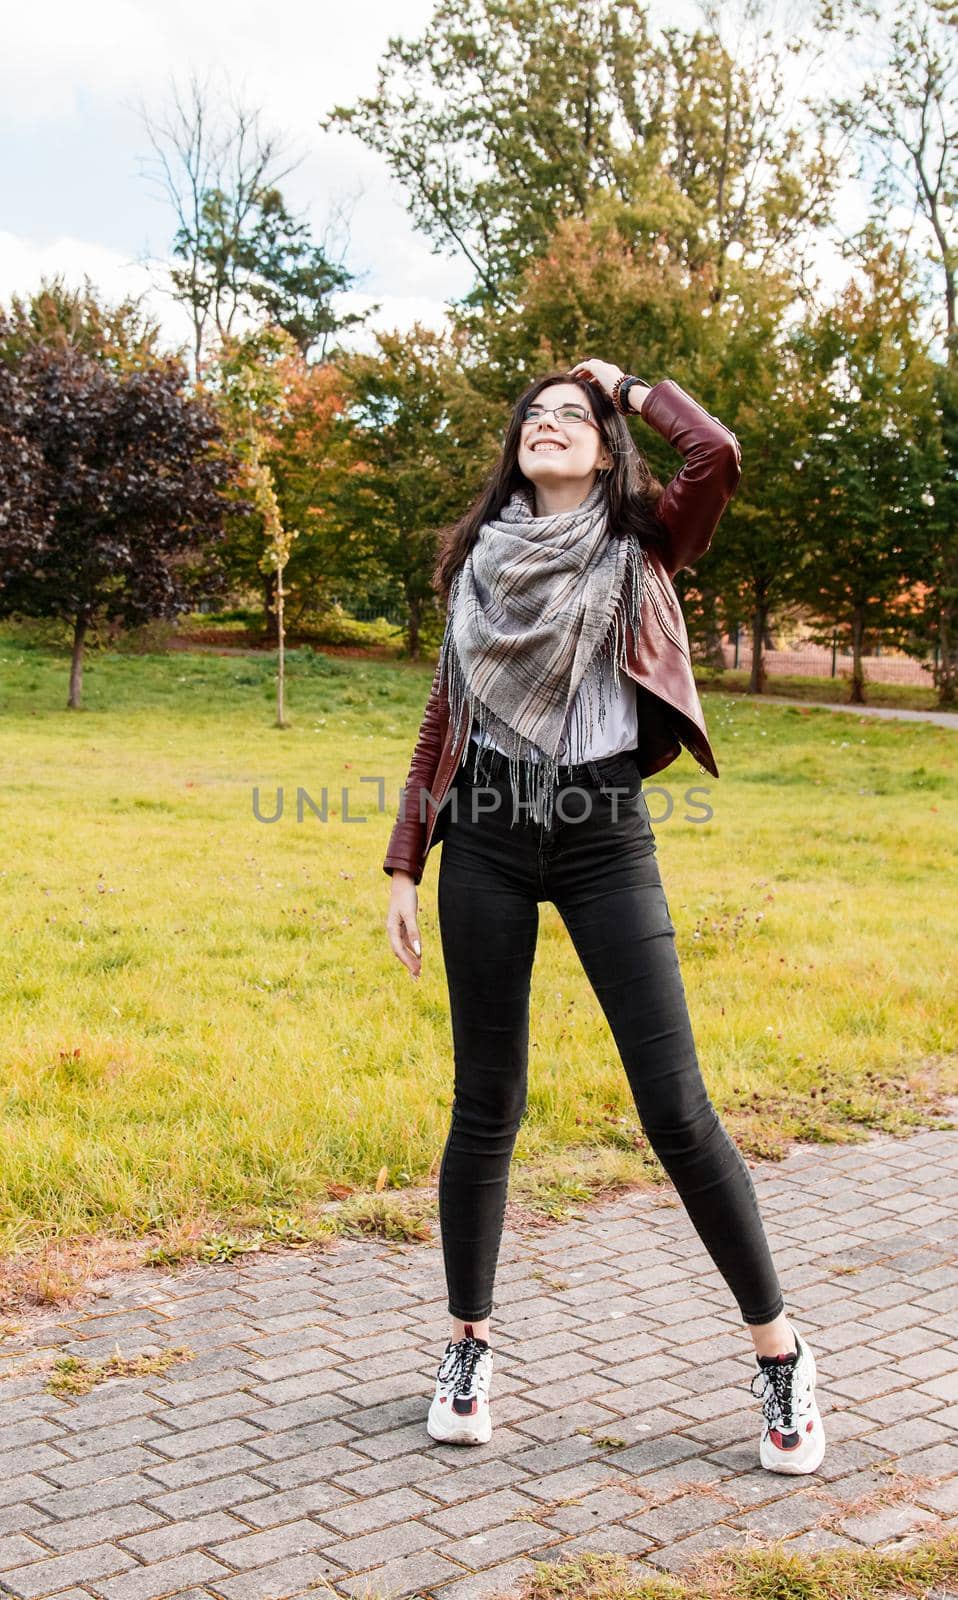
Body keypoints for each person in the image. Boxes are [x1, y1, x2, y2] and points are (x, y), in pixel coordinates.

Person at [383, 357, 825, 1475]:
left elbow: (715, 453)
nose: (548, 424)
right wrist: (402, 862)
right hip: (482, 834)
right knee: (485, 1102)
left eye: (570, 416)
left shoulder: (642, 546)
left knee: (674, 1106)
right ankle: (467, 1347)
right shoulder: (476, 567)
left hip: (600, 835)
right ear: (513, 449)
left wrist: (624, 382)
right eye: (533, 416)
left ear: (605, 444)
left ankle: (779, 1354)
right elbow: (444, 713)